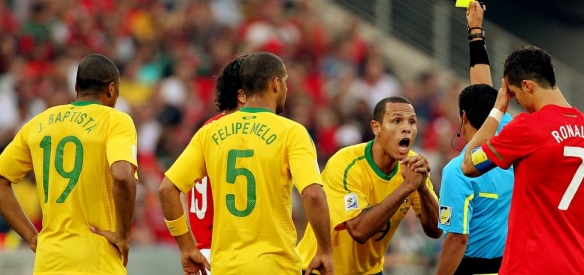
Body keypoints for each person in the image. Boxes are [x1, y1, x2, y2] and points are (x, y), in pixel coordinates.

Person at [159, 52, 334, 275]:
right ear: (276, 83)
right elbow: (313, 195)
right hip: (275, 266)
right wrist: (324, 251)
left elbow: (167, 189)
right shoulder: (292, 132)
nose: (287, 90)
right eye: (286, 82)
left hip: (224, 267)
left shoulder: (210, 132)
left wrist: (186, 247)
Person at [460, 37, 584, 272]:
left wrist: (498, 108)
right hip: (578, 266)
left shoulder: (528, 128)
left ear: (527, 86)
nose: (518, 103)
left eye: (513, 94)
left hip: (529, 266)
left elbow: (469, 164)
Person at [0, 53, 138, 274]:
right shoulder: (115, 121)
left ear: (76, 87)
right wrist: (123, 236)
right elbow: (122, 177)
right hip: (96, 260)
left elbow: (1, 179)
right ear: (111, 89)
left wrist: (31, 236)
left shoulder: (39, 122)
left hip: (48, 262)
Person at [297, 95, 441, 275]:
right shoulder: (346, 164)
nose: (406, 128)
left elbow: (436, 230)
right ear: (376, 127)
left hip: (371, 271)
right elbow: (359, 230)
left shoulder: (412, 166)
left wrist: (423, 188)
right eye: (396, 121)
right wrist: (407, 188)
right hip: (322, 269)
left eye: (412, 122)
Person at [436, 1, 514, 275]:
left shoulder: (457, 172)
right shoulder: (508, 136)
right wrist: (475, 30)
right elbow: (483, 86)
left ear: (463, 117)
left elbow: (458, 238)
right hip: (509, 266)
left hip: (471, 268)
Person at [183, 55, 247, 275]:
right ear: (243, 95)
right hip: (225, 254)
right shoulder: (239, 134)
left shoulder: (208, 129)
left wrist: (188, 244)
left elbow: (177, 188)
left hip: (203, 251)